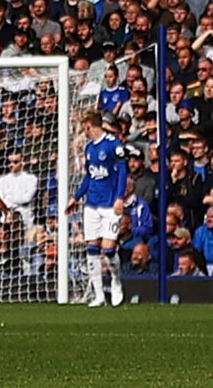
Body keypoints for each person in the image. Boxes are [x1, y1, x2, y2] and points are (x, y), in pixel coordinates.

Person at [76, 106, 135, 305]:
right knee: (92, 248)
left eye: (83, 127)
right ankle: (99, 294)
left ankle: (116, 281)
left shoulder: (113, 145)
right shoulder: (89, 148)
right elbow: (89, 176)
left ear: (88, 126)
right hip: (91, 205)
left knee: (108, 249)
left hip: (110, 205)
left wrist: (119, 198)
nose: (83, 131)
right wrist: (76, 197)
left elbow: (122, 172)